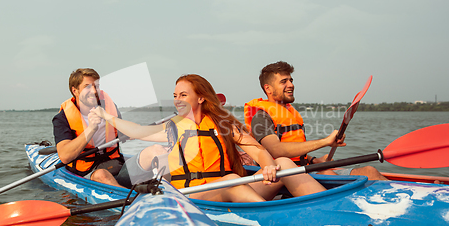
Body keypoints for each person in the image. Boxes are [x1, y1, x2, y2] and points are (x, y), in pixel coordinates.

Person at [92, 74, 327, 202]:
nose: (177, 100)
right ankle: (276, 220)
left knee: (285, 165)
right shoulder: (173, 127)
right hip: (193, 194)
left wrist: (267, 166)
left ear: (201, 98)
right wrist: (106, 115)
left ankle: (329, 206)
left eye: (184, 95)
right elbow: (135, 131)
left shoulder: (225, 124)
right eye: (175, 95)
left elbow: (257, 151)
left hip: (230, 187)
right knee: (231, 182)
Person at [244, 61, 387, 180]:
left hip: (306, 169)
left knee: (370, 171)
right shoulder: (261, 117)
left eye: (291, 80)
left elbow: (295, 149)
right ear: (268, 89)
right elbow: (275, 150)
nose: (291, 85)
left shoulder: (291, 112)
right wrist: (325, 142)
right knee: (328, 172)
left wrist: (314, 160)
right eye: (284, 81)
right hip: (286, 177)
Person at [53, 68, 128, 187]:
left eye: (96, 86)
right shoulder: (62, 119)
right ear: (75, 91)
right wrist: (91, 129)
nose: (93, 91)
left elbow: (126, 133)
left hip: (115, 164)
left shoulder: (110, 108)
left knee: (152, 153)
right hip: (87, 172)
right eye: (87, 87)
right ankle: (132, 201)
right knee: (102, 175)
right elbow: (65, 157)